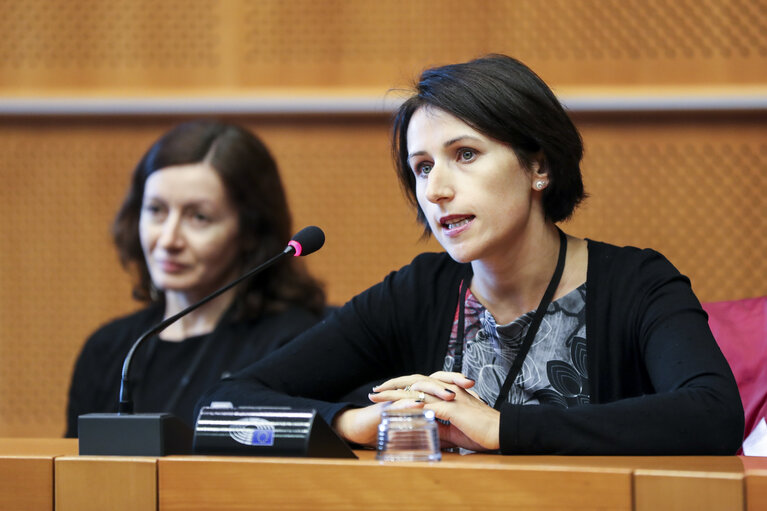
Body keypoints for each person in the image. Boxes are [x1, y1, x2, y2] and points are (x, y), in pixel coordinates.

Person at [198, 55, 744, 454]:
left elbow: (714, 415)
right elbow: (226, 405)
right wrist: (351, 422)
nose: (436, 190)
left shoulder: (636, 283)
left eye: (464, 155)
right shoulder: (420, 292)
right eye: (423, 168)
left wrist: (498, 428)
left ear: (539, 167)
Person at [66, 120, 325, 436]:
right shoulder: (109, 349)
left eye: (198, 217)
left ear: (250, 232)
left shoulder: (292, 343)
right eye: (156, 210)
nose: (168, 240)